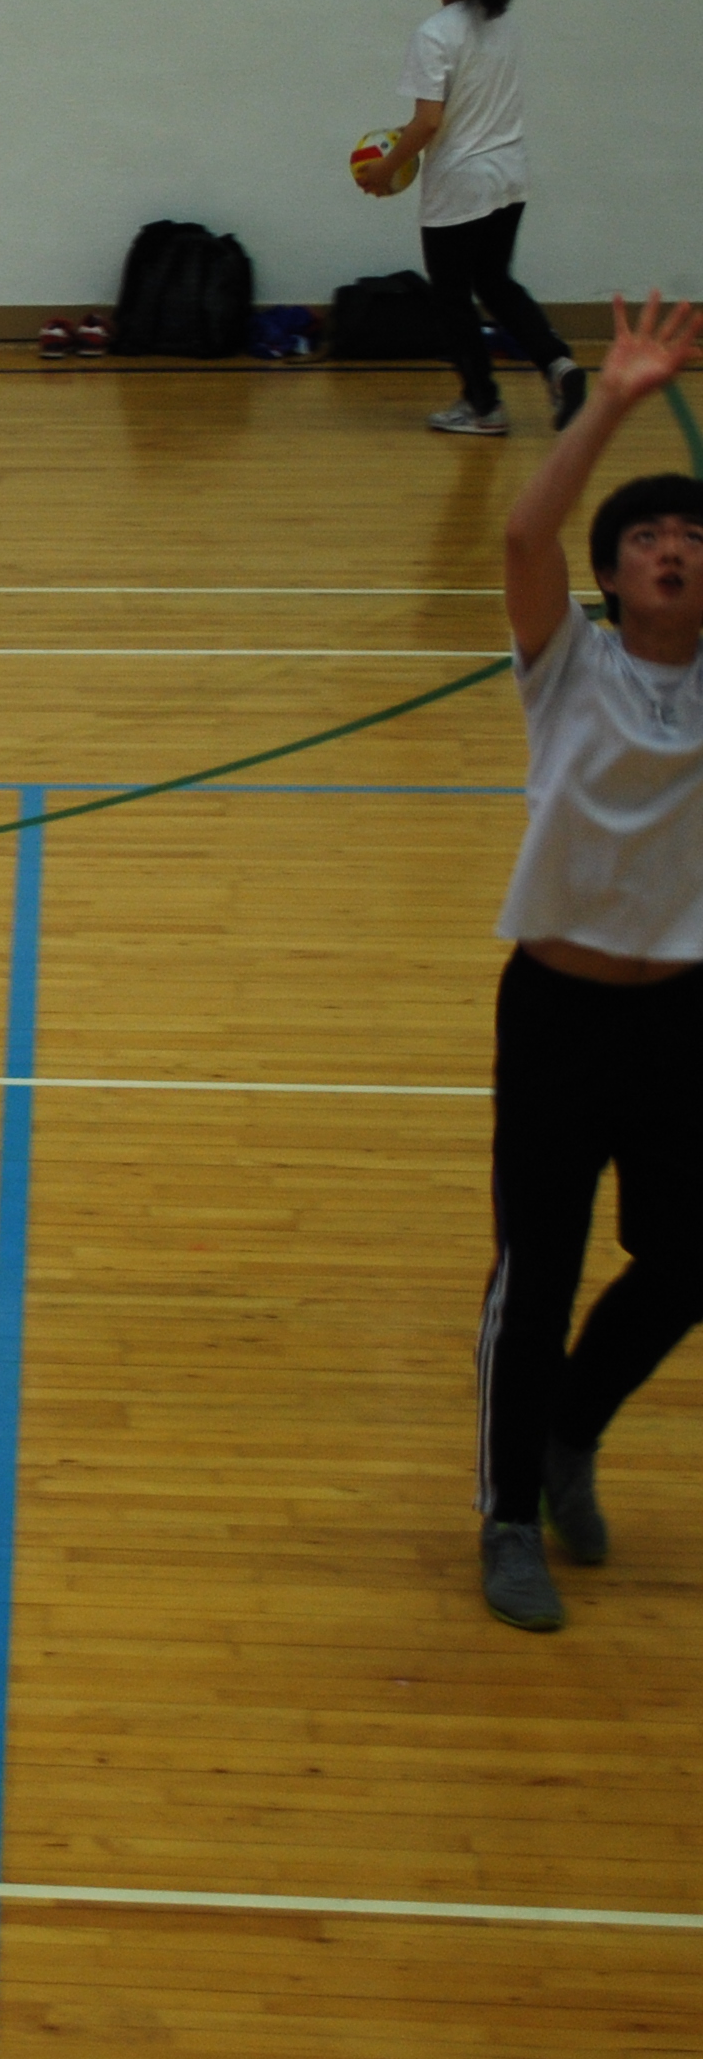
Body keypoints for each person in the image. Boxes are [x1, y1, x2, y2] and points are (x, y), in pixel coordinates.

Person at [470, 291, 703, 1633]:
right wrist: (610, 400)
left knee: (690, 1256)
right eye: (648, 538)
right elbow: (523, 534)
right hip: (558, 1012)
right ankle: (508, 1516)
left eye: (692, 538)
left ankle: (569, 1429)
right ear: (611, 575)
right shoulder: (568, 668)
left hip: (682, 1018)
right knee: (538, 1274)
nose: (671, 549)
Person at [362, 0, 578, 440]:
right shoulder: (501, 22)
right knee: (496, 281)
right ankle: (559, 364)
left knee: (452, 298)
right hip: (509, 174)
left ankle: (484, 407)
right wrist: (401, 141)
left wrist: (386, 169)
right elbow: (459, 109)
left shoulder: (434, 34)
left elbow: (429, 122)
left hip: (461, 183)